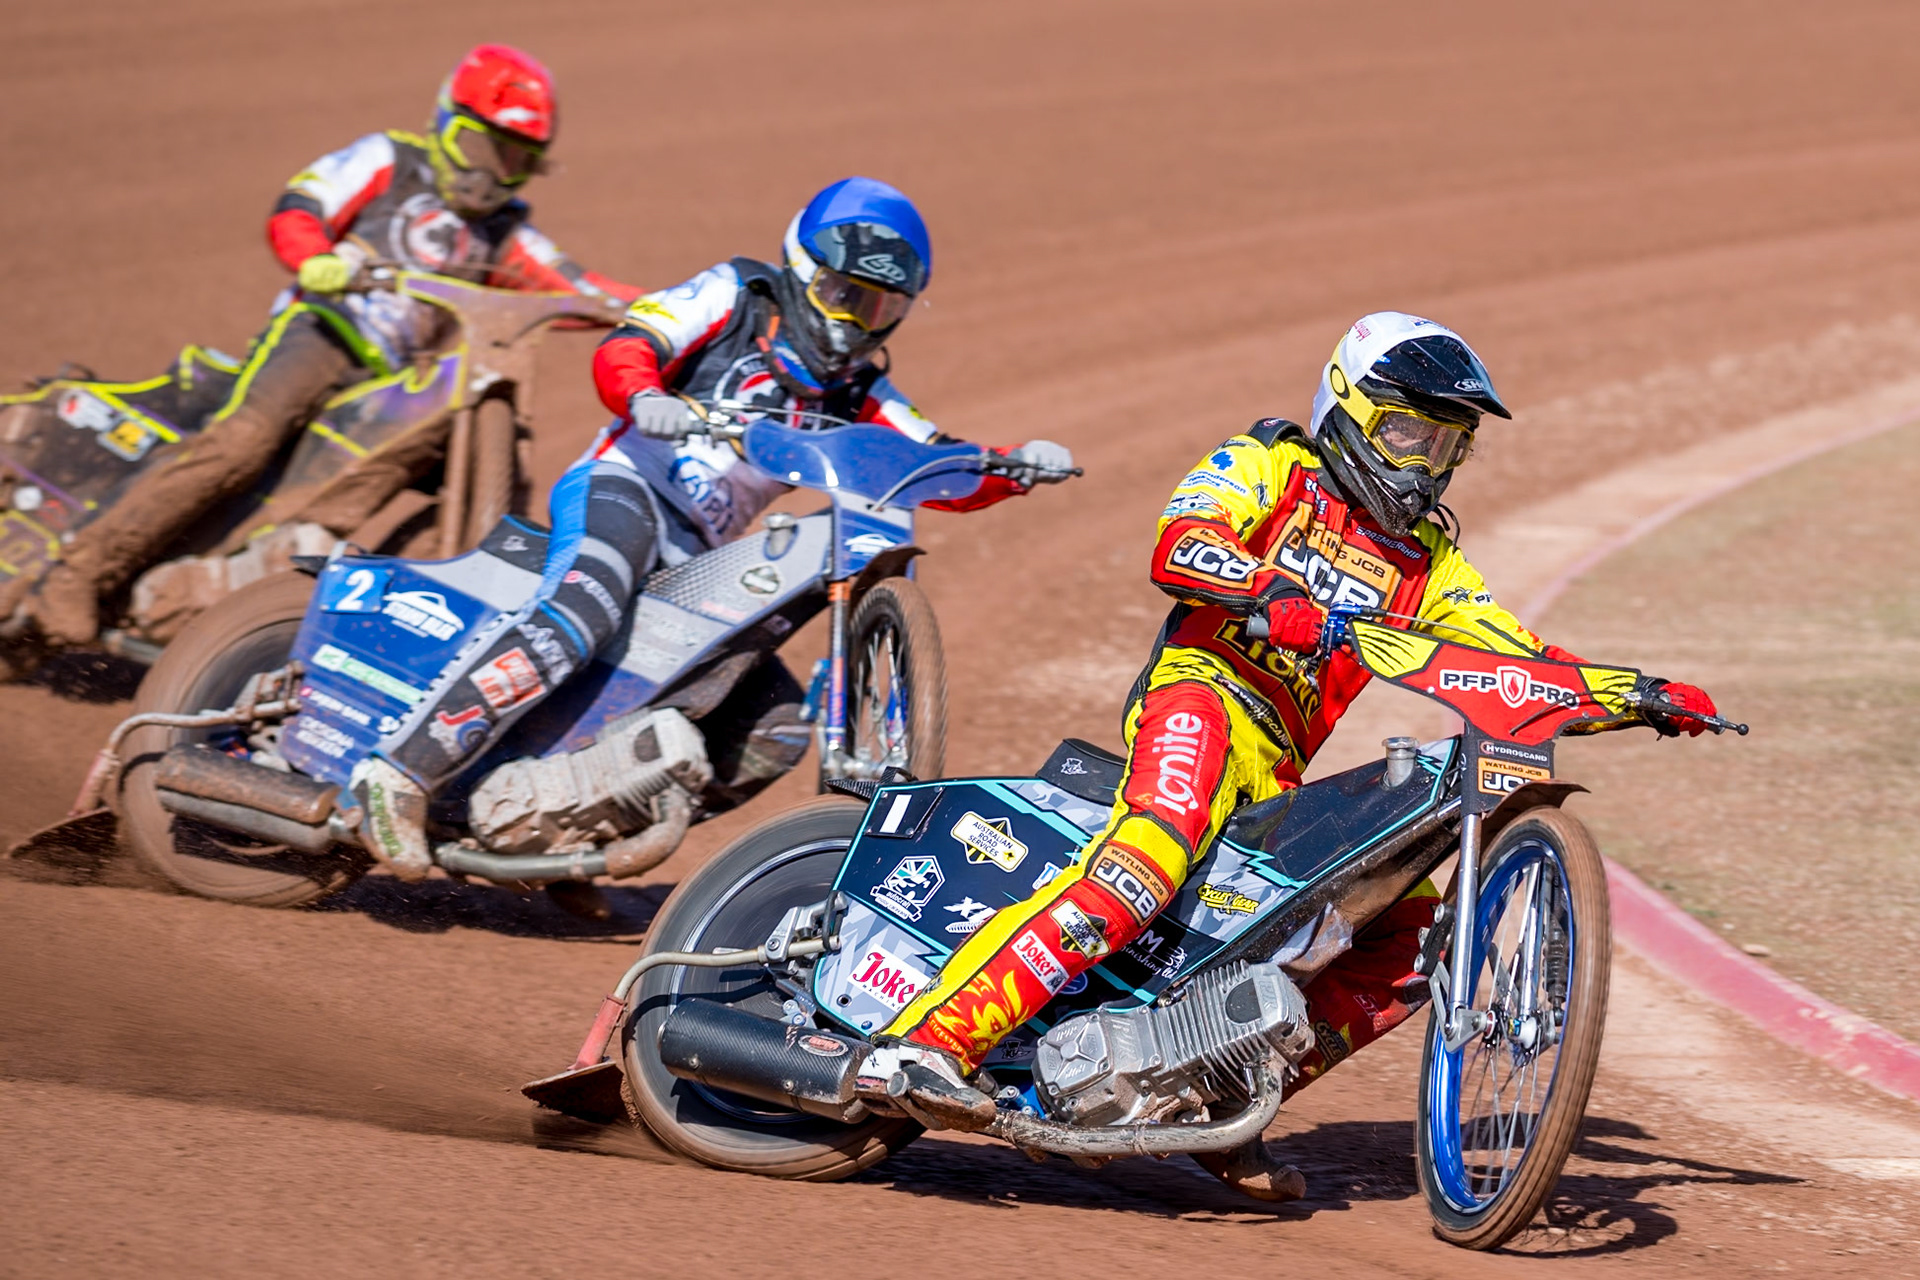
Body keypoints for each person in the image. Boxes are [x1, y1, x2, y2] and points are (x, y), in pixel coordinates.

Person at [861, 311, 1717, 1201]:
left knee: (1411, 932)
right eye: (1408, 434)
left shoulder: (1429, 561)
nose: (1423, 466)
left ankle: (1212, 1100)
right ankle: (930, 1044)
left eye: (1446, 447)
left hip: (1278, 767)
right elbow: (1180, 540)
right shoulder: (1274, 461)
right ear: (1348, 409)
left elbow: (1513, 662)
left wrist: (1635, 693)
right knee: (1146, 860)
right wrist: (1265, 585)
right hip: (1201, 694)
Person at [348, 176, 1075, 880]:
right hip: (627, 486)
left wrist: (1008, 467)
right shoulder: (734, 294)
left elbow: (923, 462)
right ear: (800, 268)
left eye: (881, 309)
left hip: (701, 555)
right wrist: (644, 393)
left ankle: (565, 838)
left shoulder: (859, 389)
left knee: (775, 726)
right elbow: (632, 341)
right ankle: (400, 773)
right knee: (587, 599)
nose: (855, 321)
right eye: (843, 295)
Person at [4, 44, 640, 645]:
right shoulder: (390, 161)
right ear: (446, 125)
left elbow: (578, 286)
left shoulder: (506, 235)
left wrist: (662, 311)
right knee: (244, 440)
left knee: (339, 489)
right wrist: (315, 259)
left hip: (391, 383)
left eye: (514, 160)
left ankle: (212, 599)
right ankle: (76, 573)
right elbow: (300, 205)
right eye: (482, 147)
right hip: (325, 331)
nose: (490, 173)